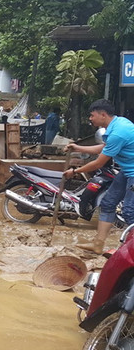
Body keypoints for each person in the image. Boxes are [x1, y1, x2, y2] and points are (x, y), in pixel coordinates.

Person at [64, 99, 134, 253]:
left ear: (103, 115)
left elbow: (98, 164)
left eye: (92, 115)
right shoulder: (117, 124)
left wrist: (74, 172)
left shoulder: (118, 132)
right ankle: (98, 245)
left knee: (129, 211)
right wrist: (78, 147)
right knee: (108, 204)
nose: (90, 118)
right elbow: (103, 148)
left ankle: (130, 252)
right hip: (127, 171)